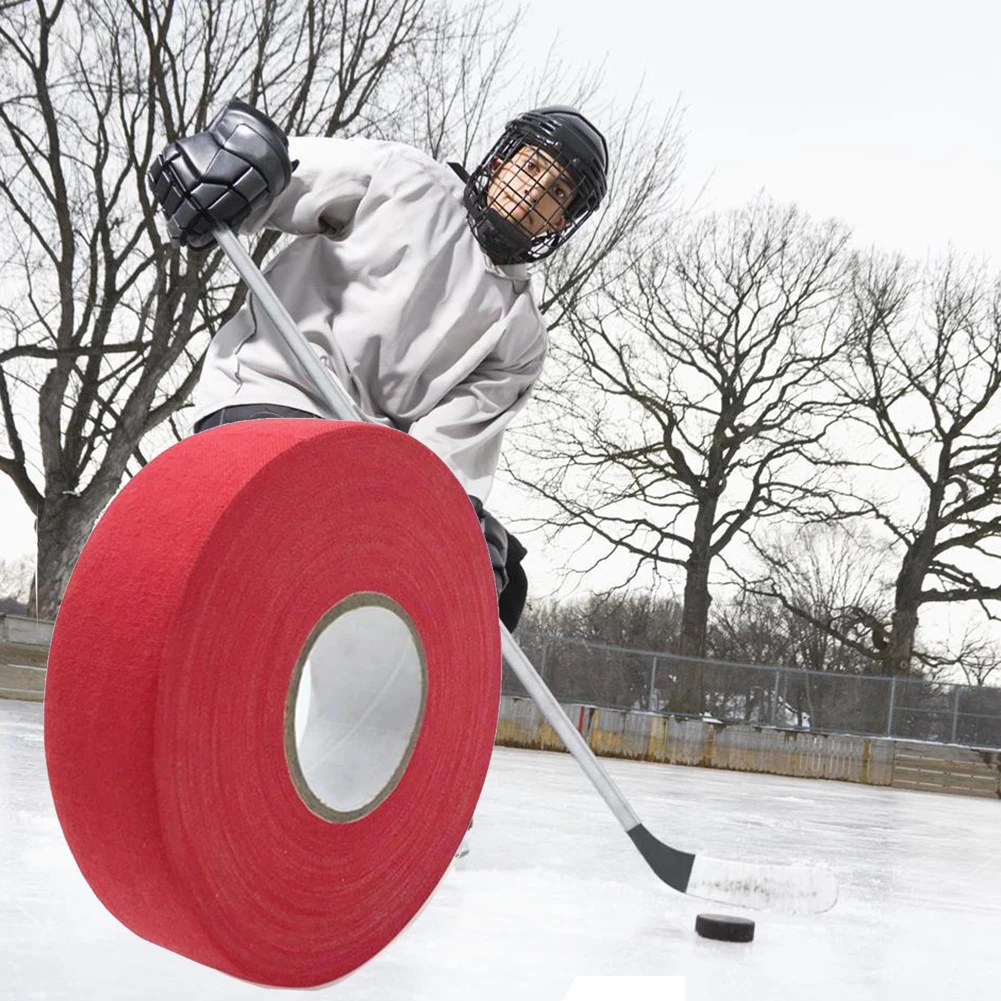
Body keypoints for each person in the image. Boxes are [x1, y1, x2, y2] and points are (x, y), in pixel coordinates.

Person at [148, 100, 609, 631]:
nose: (533, 194)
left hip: (362, 457)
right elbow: (288, 174)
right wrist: (236, 166)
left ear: (564, 220)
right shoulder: (406, 180)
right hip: (272, 392)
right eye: (530, 169)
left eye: (556, 194)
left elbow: (448, 453)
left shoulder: (519, 333)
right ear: (501, 160)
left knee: (498, 577)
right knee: (311, 512)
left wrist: (454, 529)